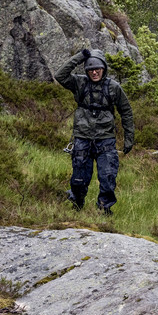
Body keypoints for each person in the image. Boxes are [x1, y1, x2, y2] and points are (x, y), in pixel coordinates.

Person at [55, 48, 134, 215]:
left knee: (107, 178)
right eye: (91, 69)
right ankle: (77, 204)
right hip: (82, 138)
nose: (95, 72)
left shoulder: (114, 88)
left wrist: (129, 138)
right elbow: (60, 75)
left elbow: (126, 111)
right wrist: (79, 57)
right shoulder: (79, 83)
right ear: (86, 70)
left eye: (98, 68)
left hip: (105, 140)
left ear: (104, 69)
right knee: (78, 180)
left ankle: (104, 210)